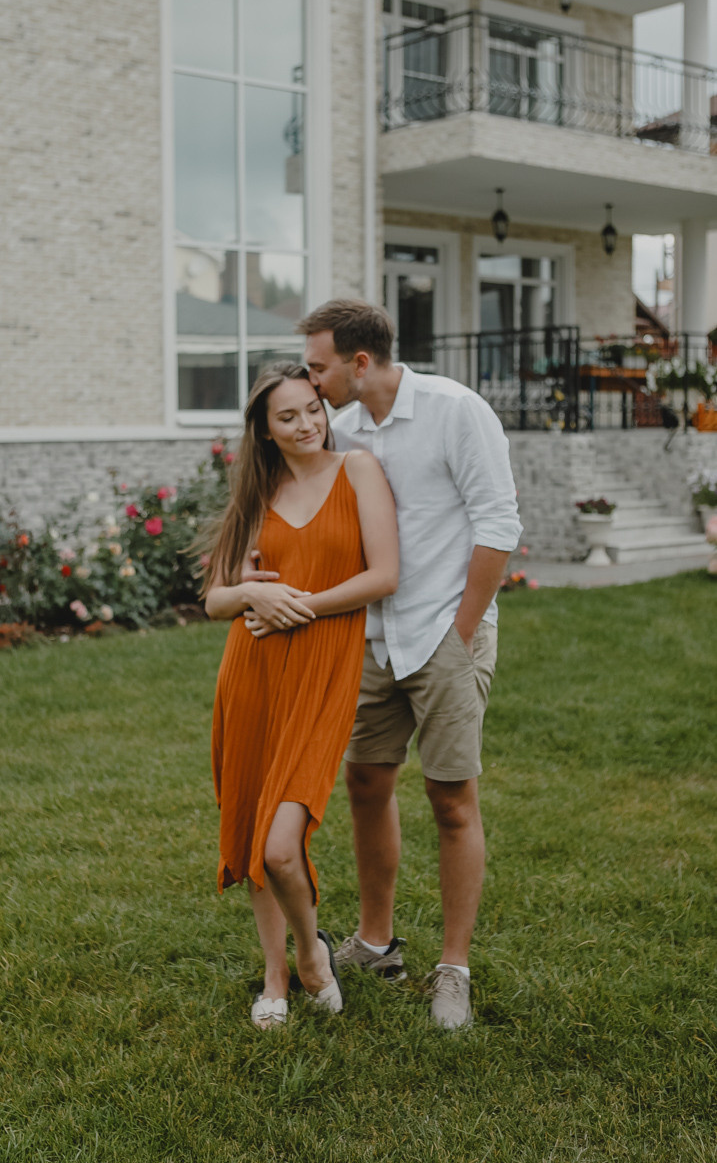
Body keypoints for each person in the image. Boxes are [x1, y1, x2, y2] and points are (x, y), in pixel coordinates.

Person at [293, 299, 523, 1030]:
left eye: (317, 365)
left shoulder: (456, 411)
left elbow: (497, 524)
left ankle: (452, 969)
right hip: (371, 639)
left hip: (443, 636)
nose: (309, 379)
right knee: (365, 782)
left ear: (360, 362)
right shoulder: (341, 429)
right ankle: (375, 942)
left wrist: (461, 631)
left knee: (451, 799)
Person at [204, 362, 399, 1030]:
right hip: (252, 673)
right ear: (263, 430)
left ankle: (312, 954)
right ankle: (275, 978)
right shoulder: (259, 492)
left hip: (321, 672)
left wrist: (300, 606)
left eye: (312, 408)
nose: (307, 424)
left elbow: (384, 574)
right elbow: (215, 599)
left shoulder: (358, 472)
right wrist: (253, 593)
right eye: (287, 417)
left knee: (281, 845)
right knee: (256, 839)